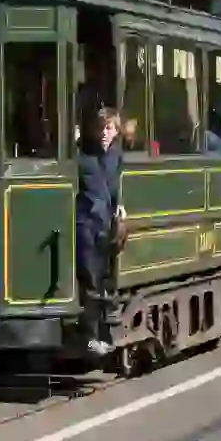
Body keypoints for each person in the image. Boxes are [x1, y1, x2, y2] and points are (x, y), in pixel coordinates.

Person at [76, 107, 126, 356]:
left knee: (106, 280)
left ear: (117, 131)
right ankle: (90, 337)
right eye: (101, 128)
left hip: (105, 224)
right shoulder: (83, 155)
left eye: (109, 128)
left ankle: (106, 335)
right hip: (86, 223)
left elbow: (115, 188)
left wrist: (120, 206)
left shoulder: (116, 156)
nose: (104, 133)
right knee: (90, 281)